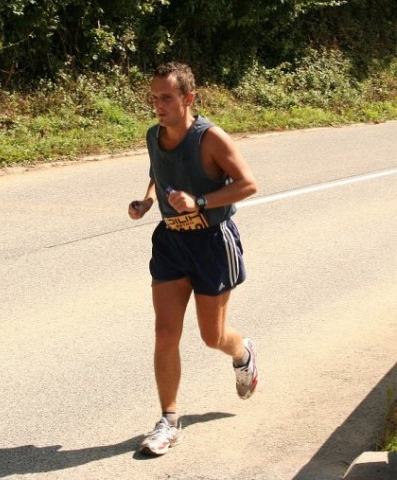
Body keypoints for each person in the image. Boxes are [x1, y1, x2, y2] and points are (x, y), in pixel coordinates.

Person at [128, 62, 259, 457]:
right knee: (165, 333)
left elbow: (248, 184)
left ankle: (242, 353)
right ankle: (168, 420)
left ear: (188, 98)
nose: (158, 105)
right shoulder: (154, 135)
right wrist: (148, 200)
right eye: (153, 98)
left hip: (212, 244)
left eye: (166, 98)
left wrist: (200, 201)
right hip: (171, 242)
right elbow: (158, 169)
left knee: (211, 337)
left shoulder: (210, 139)